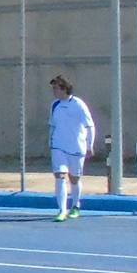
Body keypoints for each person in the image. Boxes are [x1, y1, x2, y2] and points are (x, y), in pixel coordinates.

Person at [47, 75, 96, 222]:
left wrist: (90, 145)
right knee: (60, 176)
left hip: (76, 147)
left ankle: (75, 205)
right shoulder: (54, 105)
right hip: (58, 146)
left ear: (64, 88)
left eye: (56, 88)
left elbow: (90, 126)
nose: (54, 91)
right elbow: (52, 125)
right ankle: (62, 210)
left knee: (74, 178)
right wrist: (50, 141)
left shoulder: (79, 104)